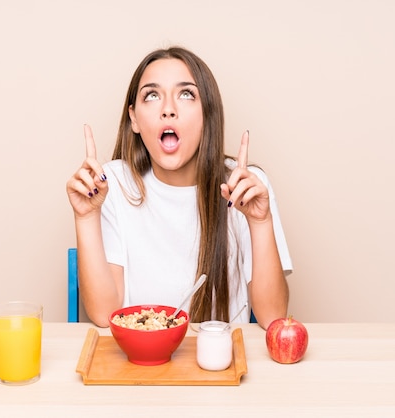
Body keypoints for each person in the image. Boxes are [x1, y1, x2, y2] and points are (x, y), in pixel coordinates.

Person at [66, 46, 292, 329]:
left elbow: (274, 318)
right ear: (134, 119)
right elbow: (104, 314)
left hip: (217, 363)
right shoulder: (111, 184)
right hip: (138, 366)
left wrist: (261, 221)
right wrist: (86, 217)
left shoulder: (244, 186)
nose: (168, 110)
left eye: (186, 94)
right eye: (152, 95)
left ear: (207, 114)